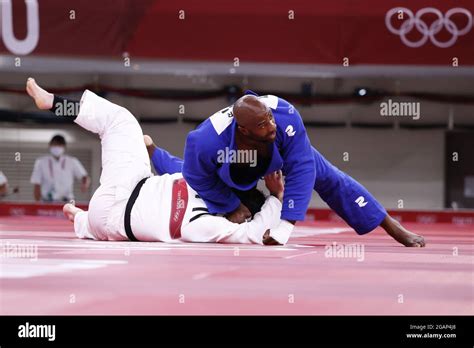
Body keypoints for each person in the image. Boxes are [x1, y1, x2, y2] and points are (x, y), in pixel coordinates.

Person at [26, 78, 284, 245]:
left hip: (119, 199)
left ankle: (53, 104)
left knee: (120, 120)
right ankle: (80, 219)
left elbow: (253, 233)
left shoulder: (211, 225)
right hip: (116, 211)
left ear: (241, 214)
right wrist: (153, 151)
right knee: (97, 223)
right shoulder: (208, 201)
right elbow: (177, 167)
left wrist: (275, 197)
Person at [173, 91, 425, 247]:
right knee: (181, 177)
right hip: (229, 169)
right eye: (262, 124)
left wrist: (285, 227)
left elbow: (303, 171)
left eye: (270, 118)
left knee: (329, 176)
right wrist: (229, 204)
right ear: (244, 130)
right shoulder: (205, 141)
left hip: (274, 155)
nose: (271, 126)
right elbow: (195, 176)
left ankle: (390, 224)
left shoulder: (284, 115)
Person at [30, 134, 90, 202]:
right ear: (50, 145)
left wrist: (85, 185)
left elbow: (85, 176)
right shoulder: (41, 162)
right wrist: (37, 202)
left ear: (64, 147)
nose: (57, 147)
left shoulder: (72, 161)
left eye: (59, 145)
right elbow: (37, 184)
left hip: (67, 201)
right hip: (47, 201)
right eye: (55, 145)